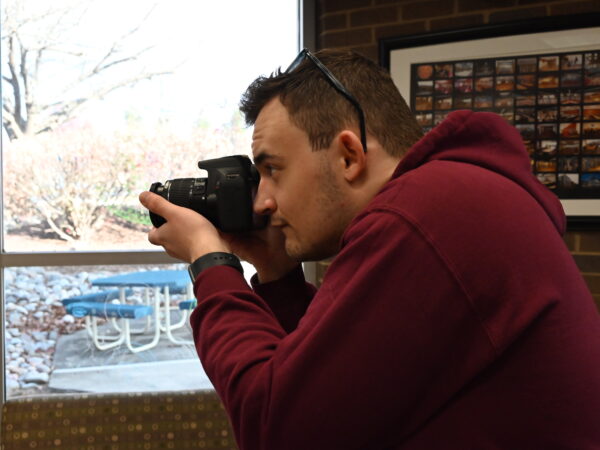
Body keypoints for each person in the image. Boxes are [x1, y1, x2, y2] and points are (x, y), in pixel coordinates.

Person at [139, 49, 600, 449]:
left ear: (349, 155)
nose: (263, 201)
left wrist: (211, 262)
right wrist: (278, 276)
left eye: (273, 169)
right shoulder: (453, 200)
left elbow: (277, 431)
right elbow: (343, 396)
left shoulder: (423, 214)